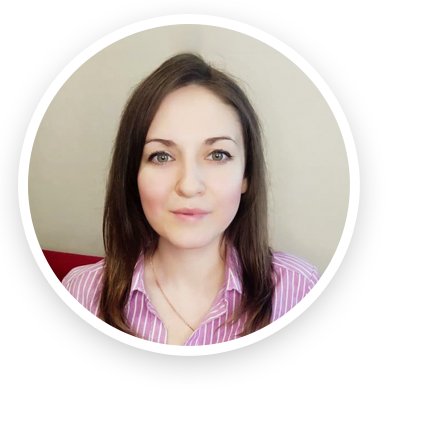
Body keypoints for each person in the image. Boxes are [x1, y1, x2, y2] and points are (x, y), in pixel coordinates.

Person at [44, 53, 350, 347]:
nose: (189, 186)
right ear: (132, 174)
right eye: (161, 156)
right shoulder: (80, 295)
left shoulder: (299, 291)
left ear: (247, 175)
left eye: (218, 155)